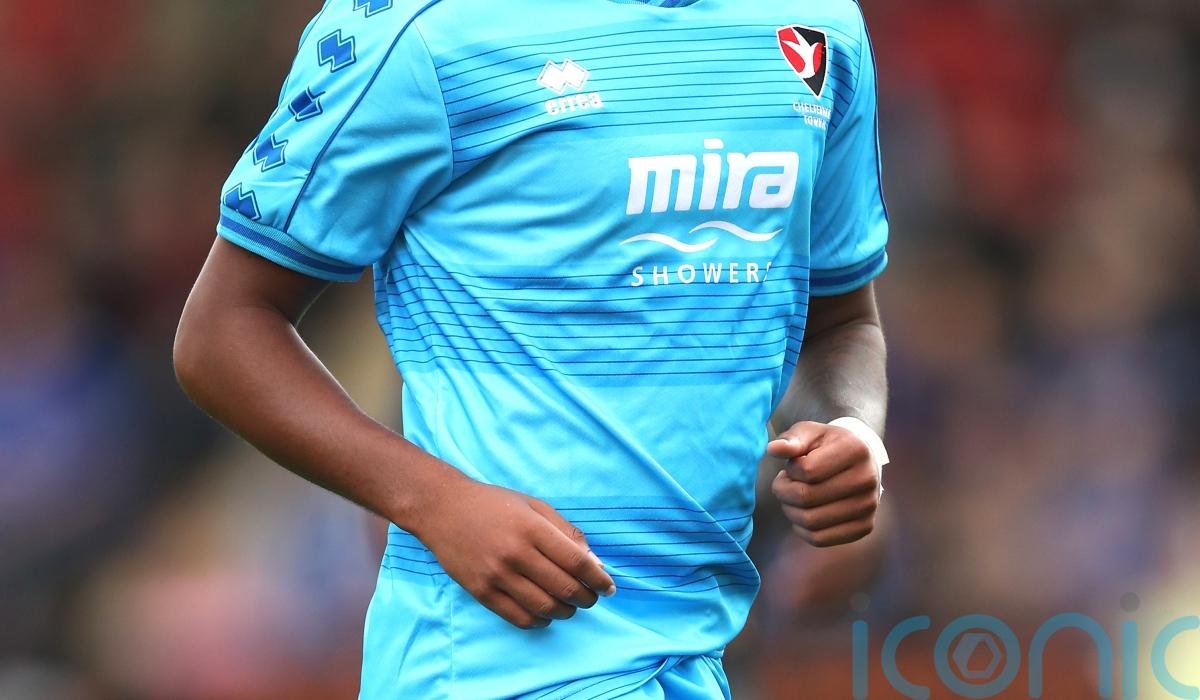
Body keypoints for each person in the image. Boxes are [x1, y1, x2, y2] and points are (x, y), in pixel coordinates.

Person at [173, 0, 890, 697]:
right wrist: (436, 502)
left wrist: (853, 432)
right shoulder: (419, 28)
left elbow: (840, 322)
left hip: (700, 654)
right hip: (487, 663)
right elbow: (222, 331)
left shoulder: (821, 26)